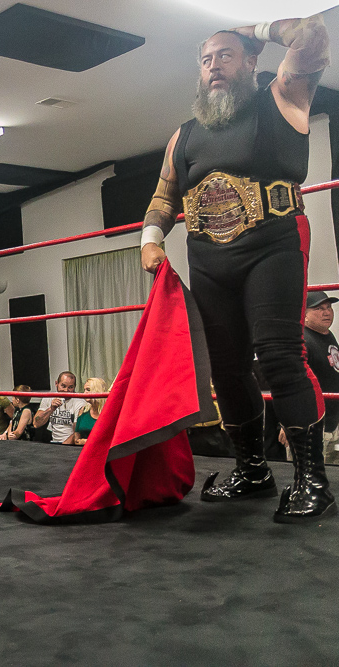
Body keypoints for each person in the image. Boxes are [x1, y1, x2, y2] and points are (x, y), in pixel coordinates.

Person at [139, 16, 334, 522]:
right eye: (206, 60)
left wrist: (259, 27)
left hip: (273, 244)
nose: (213, 66)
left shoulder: (282, 97)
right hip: (208, 257)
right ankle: (252, 469)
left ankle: (312, 480)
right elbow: (164, 195)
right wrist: (151, 238)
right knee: (225, 366)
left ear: (251, 62)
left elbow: (313, 36)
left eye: (225, 55)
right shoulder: (183, 136)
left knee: (280, 355)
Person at [301, 291, 339, 463]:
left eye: (329, 307)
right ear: (305, 314)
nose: (327, 312)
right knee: (309, 472)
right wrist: (288, 424)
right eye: (318, 308)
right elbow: (293, 382)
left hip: (332, 423)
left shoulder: (327, 334)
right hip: (312, 426)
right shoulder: (303, 340)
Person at [32, 372, 87, 444]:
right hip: (53, 442)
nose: (66, 390)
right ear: (56, 383)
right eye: (63, 386)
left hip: (70, 444)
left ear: (74, 387)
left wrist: (62, 447)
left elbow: (76, 433)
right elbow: (36, 424)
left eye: (70, 387)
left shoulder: (79, 402)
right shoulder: (48, 398)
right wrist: (51, 409)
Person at [68, 378, 106, 446]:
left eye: (88, 390)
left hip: (102, 449)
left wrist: (88, 442)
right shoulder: (83, 410)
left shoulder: (107, 411)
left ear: (97, 390)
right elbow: (76, 439)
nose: (85, 393)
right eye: (84, 390)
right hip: (82, 449)